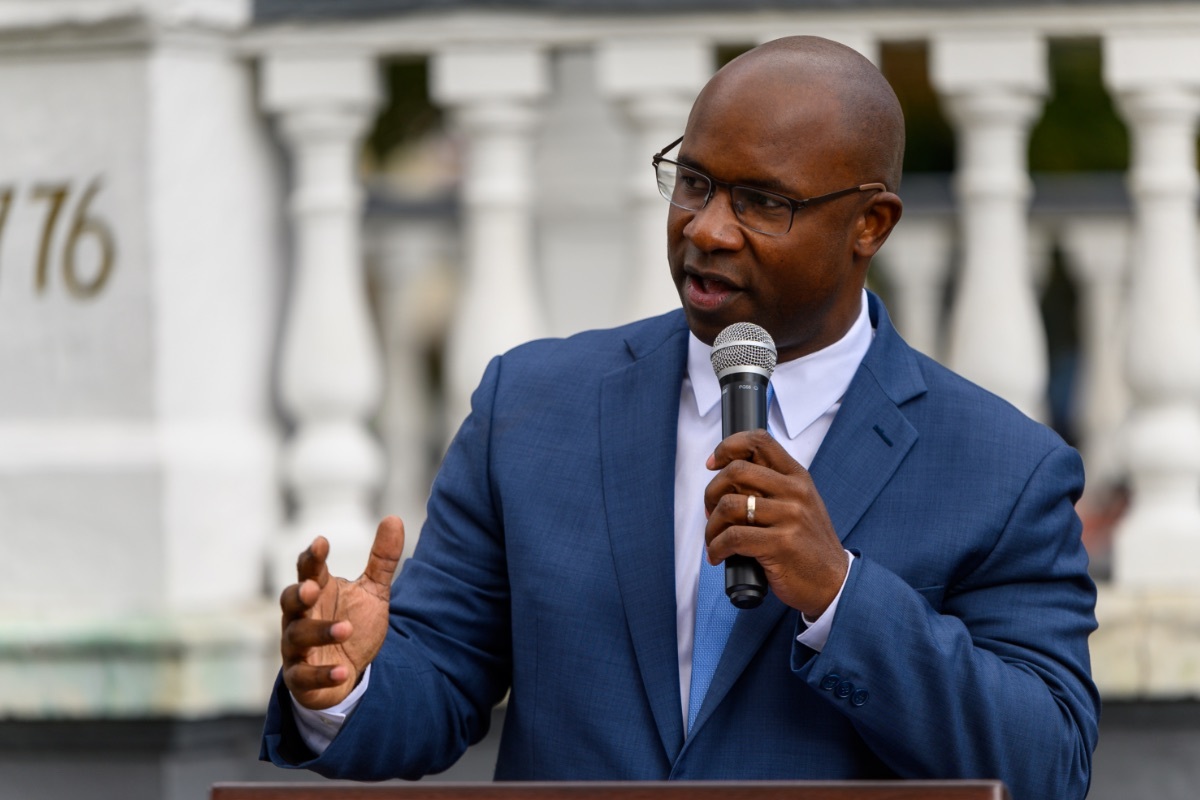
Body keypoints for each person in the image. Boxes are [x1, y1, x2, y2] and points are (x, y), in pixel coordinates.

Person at [262, 35, 1100, 799]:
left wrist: (839, 595)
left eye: (762, 202)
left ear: (869, 225)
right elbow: (439, 680)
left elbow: (1047, 764)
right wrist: (344, 684)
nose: (706, 228)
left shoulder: (1003, 469)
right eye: (694, 182)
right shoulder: (533, 404)